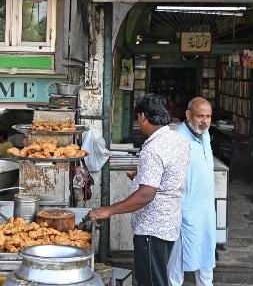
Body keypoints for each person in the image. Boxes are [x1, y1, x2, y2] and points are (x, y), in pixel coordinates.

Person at [89, 93, 190, 286]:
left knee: (151, 281)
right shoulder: (178, 140)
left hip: (152, 229)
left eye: (138, 118)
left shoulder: (153, 149)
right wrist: (142, 174)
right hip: (170, 224)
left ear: (143, 116)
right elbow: (170, 172)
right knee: (159, 277)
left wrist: (109, 210)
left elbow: (146, 195)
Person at [167, 97, 216, 286]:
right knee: (176, 266)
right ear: (188, 115)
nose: (204, 121)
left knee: (206, 260)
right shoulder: (178, 139)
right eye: (200, 116)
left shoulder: (204, 136)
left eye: (208, 116)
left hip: (205, 212)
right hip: (184, 212)